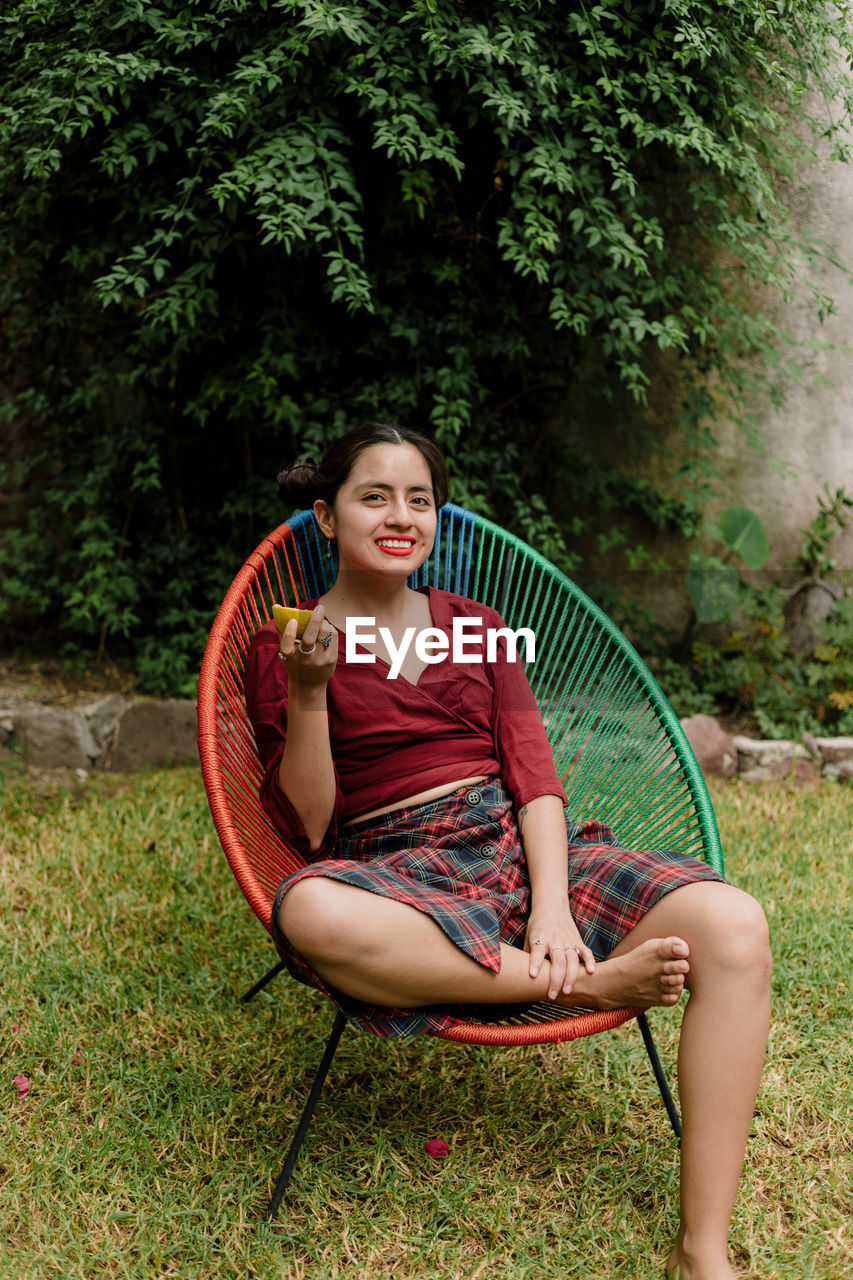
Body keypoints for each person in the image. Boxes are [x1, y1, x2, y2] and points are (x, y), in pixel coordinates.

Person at [244, 421, 771, 1280]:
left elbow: (535, 780)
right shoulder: (289, 642)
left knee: (734, 925)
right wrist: (309, 694)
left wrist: (555, 906)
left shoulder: (477, 626)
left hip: (520, 847)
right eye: (373, 495)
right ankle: (592, 981)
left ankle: (700, 1250)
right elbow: (307, 827)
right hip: (399, 865)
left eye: (419, 499)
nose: (399, 515)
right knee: (306, 907)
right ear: (325, 517)